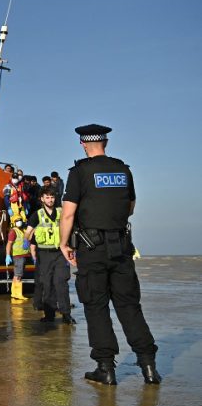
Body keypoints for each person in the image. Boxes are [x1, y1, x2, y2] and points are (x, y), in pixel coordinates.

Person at [60, 124, 160, 385]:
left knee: (96, 306)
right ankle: (149, 366)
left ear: (83, 144)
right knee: (129, 305)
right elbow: (131, 207)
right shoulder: (123, 169)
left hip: (91, 248)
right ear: (105, 142)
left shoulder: (79, 172)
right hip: (121, 246)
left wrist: (63, 243)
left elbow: (68, 213)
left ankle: (106, 368)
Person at [26, 186, 75, 323]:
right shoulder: (37, 215)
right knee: (47, 284)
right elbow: (27, 234)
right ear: (42, 199)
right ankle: (49, 315)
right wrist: (31, 237)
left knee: (61, 283)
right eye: (47, 197)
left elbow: (71, 227)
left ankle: (66, 314)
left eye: (52, 197)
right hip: (44, 254)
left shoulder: (62, 212)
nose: (50, 199)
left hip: (60, 253)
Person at [4, 219, 30, 302]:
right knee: (18, 275)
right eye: (17, 221)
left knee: (17, 275)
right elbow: (9, 243)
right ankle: (18, 294)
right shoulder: (13, 231)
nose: (19, 222)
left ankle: (14, 293)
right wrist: (8, 255)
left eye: (20, 220)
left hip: (22, 255)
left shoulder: (22, 230)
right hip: (18, 256)